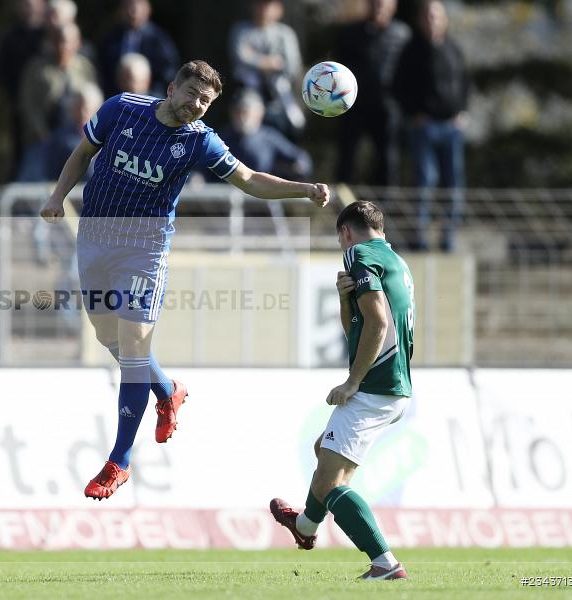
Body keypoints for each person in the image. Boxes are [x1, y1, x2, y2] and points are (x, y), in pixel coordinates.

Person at [39, 60, 330, 500]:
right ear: (171, 87)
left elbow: (249, 180)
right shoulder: (122, 108)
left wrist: (303, 190)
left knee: (134, 347)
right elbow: (83, 152)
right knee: (109, 338)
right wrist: (58, 196)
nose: (196, 105)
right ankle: (168, 390)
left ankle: (118, 460)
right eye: (191, 93)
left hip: (145, 249)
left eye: (206, 101)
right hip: (95, 237)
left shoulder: (200, 142)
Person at [270, 200, 415, 581]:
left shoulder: (358, 254)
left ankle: (384, 563)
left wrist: (353, 381)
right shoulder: (395, 260)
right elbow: (361, 326)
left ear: (345, 233)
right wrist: (344, 297)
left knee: (331, 480)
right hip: (394, 386)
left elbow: (378, 324)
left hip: (374, 386)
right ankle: (304, 526)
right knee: (324, 450)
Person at [392, 0, 468, 252]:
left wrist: (462, 112)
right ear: (419, 20)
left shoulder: (454, 48)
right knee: (425, 182)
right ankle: (420, 239)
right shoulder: (410, 50)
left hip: (451, 127)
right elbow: (397, 87)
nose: (432, 20)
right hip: (423, 127)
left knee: (454, 185)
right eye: (427, 15)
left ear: (444, 19)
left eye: (436, 15)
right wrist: (413, 114)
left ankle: (448, 240)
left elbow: (465, 84)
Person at [335, 0, 410, 186]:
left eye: (383, 4)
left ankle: (385, 206)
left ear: (393, 7)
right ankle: (343, 205)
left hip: (387, 107)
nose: (379, 8)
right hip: (355, 105)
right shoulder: (351, 33)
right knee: (348, 155)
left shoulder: (402, 34)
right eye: (376, 4)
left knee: (387, 158)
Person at [229, 0, 305, 138]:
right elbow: (240, 57)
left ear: (278, 9)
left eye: (268, 5)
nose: (264, 9)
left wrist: (255, 58)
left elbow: (292, 66)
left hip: (280, 91)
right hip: (249, 89)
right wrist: (269, 62)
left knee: (296, 124)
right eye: (260, 4)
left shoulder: (285, 34)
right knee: (246, 124)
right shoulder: (241, 30)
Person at [19, 22, 97, 147]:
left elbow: (95, 103)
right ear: (52, 42)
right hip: (41, 138)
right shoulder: (36, 67)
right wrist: (41, 132)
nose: (63, 46)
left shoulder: (85, 68)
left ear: (78, 43)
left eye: (67, 41)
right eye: (59, 40)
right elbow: (28, 103)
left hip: (77, 139)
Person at [0, 0, 47, 178]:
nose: (30, 9)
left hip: (48, 110)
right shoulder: (10, 38)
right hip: (19, 109)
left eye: (34, 4)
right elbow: (1, 71)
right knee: (19, 155)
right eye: (26, 4)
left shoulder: (49, 36)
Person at [218, 89, 311, 181]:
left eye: (246, 112)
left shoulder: (268, 137)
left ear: (259, 114)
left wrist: (300, 165)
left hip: (260, 192)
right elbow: (205, 167)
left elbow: (299, 156)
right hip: (223, 193)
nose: (242, 117)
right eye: (238, 112)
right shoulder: (221, 138)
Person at [97, 0, 179, 98]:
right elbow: (103, 69)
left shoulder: (159, 39)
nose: (132, 12)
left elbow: (168, 71)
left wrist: (153, 93)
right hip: (115, 96)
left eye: (137, 7)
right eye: (128, 7)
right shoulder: (110, 38)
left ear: (148, 10)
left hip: (150, 96)